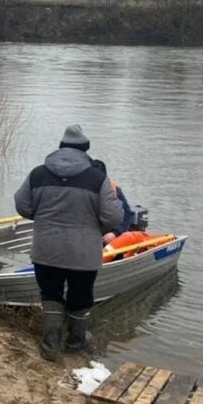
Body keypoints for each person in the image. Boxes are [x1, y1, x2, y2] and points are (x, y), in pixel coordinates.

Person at [13, 125, 124, 361]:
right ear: (85, 150)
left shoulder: (38, 174)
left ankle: (50, 345)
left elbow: (23, 206)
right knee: (81, 296)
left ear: (61, 148)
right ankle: (75, 342)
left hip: (46, 249)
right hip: (83, 253)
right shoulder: (98, 179)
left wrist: (43, 218)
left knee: (51, 293)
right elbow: (113, 217)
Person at [91, 159, 133, 243]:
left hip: (108, 236)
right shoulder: (82, 192)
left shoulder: (115, 190)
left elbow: (127, 213)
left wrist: (115, 233)